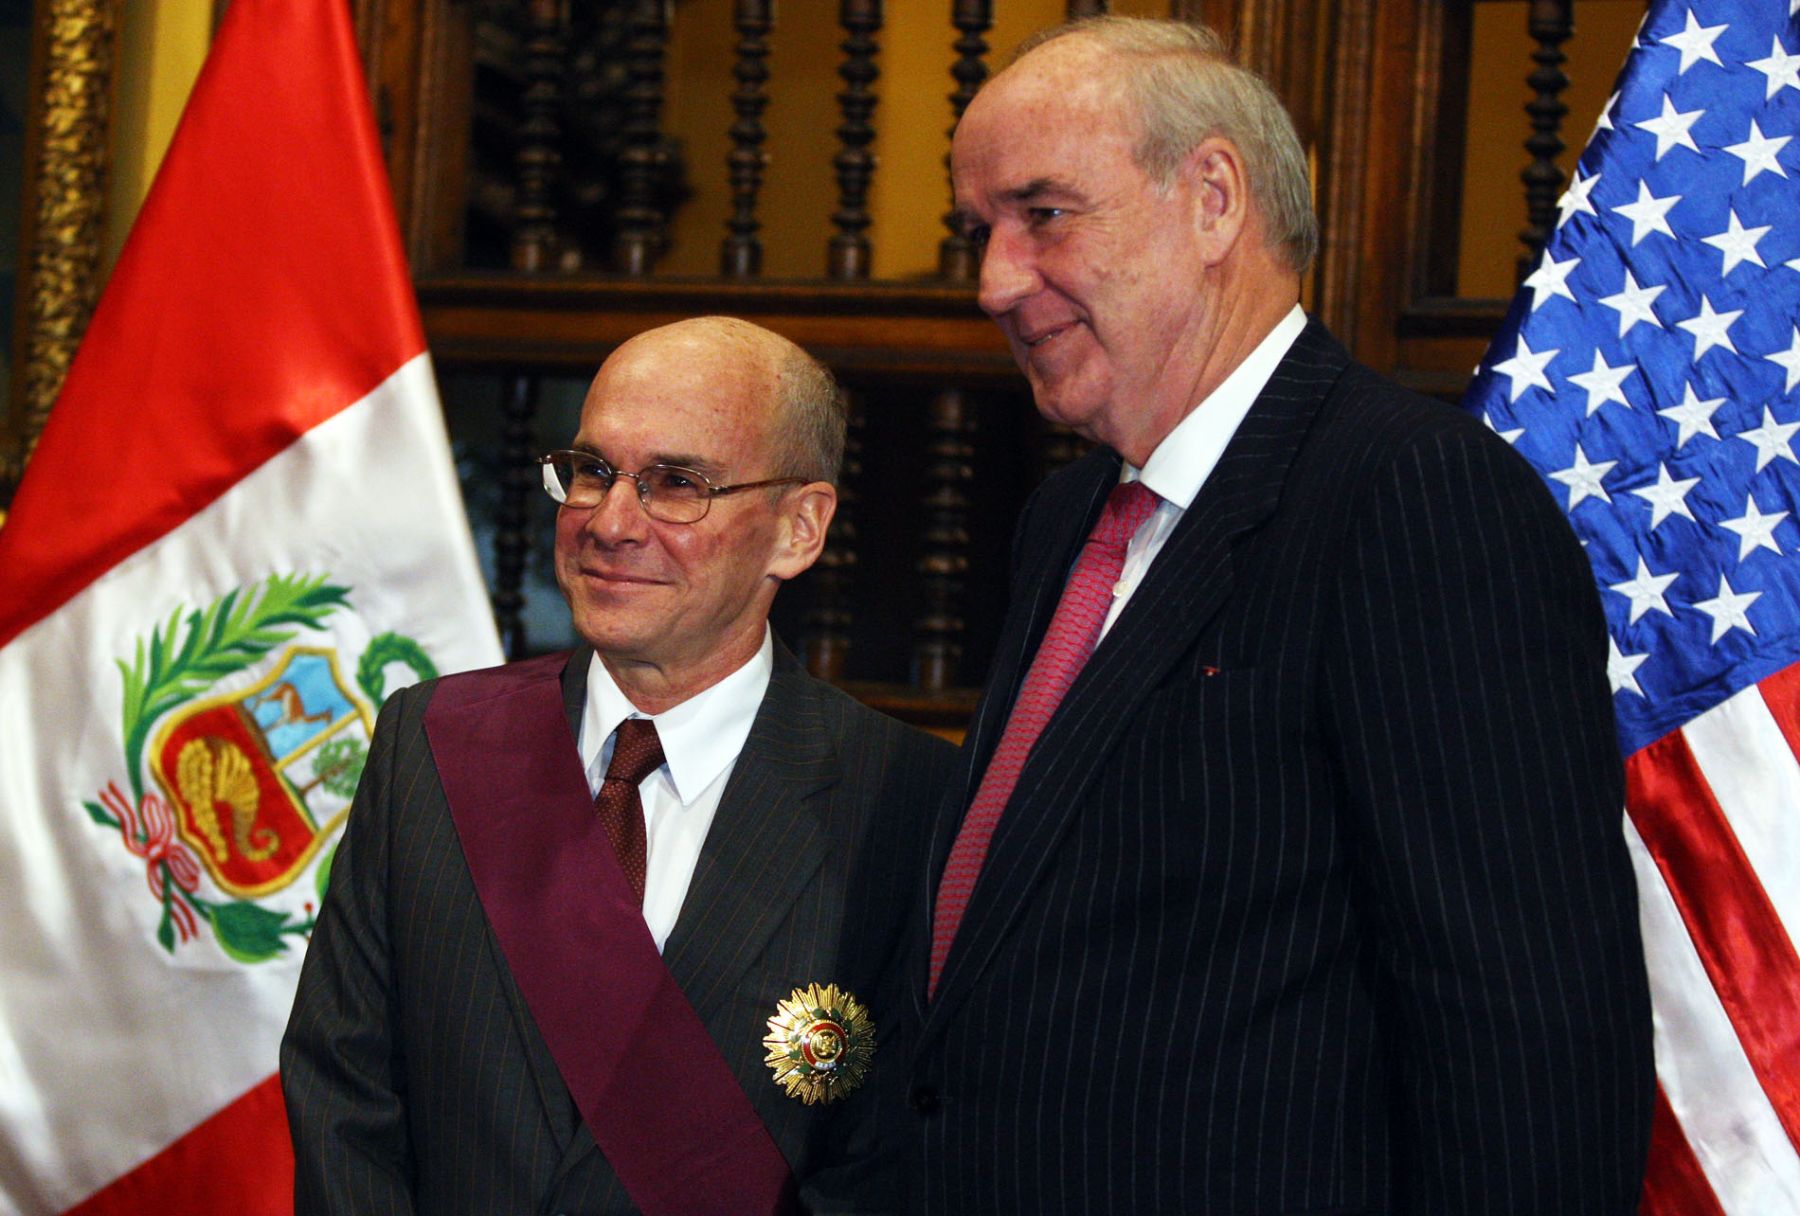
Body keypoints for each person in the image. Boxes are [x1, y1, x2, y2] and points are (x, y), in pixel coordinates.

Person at [903, 18, 1653, 1215]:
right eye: (978, 231)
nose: (994, 279)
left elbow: (1530, 1046)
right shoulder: (1067, 518)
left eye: (1043, 214)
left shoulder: (1412, 499)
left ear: (1211, 200)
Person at [282, 316, 954, 1216]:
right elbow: (341, 1092)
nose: (610, 522)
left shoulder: (909, 802)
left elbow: (894, 1160)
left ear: (798, 529)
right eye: (592, 471)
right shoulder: (434, 744)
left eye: (677, 484)